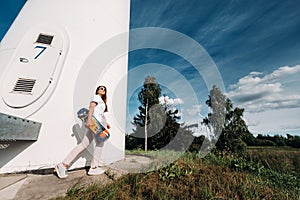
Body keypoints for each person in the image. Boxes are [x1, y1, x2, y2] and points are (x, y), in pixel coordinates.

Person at [55, 85, 110, 178]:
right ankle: (93, 167)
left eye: (104, 89)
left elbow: (99, 114)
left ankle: (63, 165)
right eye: (101, 88)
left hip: (97, 125)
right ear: (97, 90)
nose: (103, 90)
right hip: (94, 124)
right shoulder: (96, 97)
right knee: (99, 144)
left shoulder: (102, 101)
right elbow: (91, 108)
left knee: (84, 144)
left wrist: (106, 123)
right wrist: (88, 120)